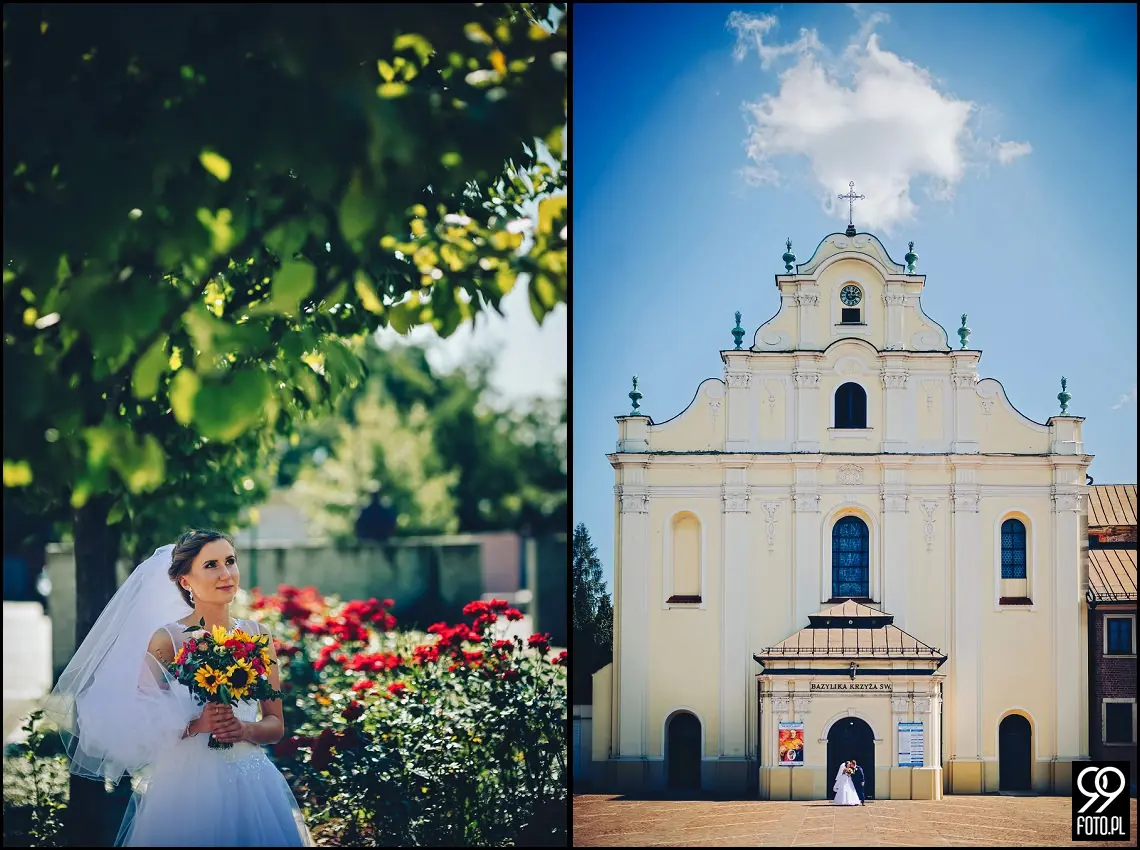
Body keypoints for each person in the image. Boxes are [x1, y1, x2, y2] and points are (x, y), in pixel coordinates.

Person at [43, 530, 313, 846]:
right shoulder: (168, 640)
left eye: (230, 561)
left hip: (251, 779)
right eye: (211, 565)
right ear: (186, 581)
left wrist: (242, 729)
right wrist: (198, 725)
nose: (226, 574)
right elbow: (139, 722)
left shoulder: (258, 635)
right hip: (186, 787)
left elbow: (275, 725)